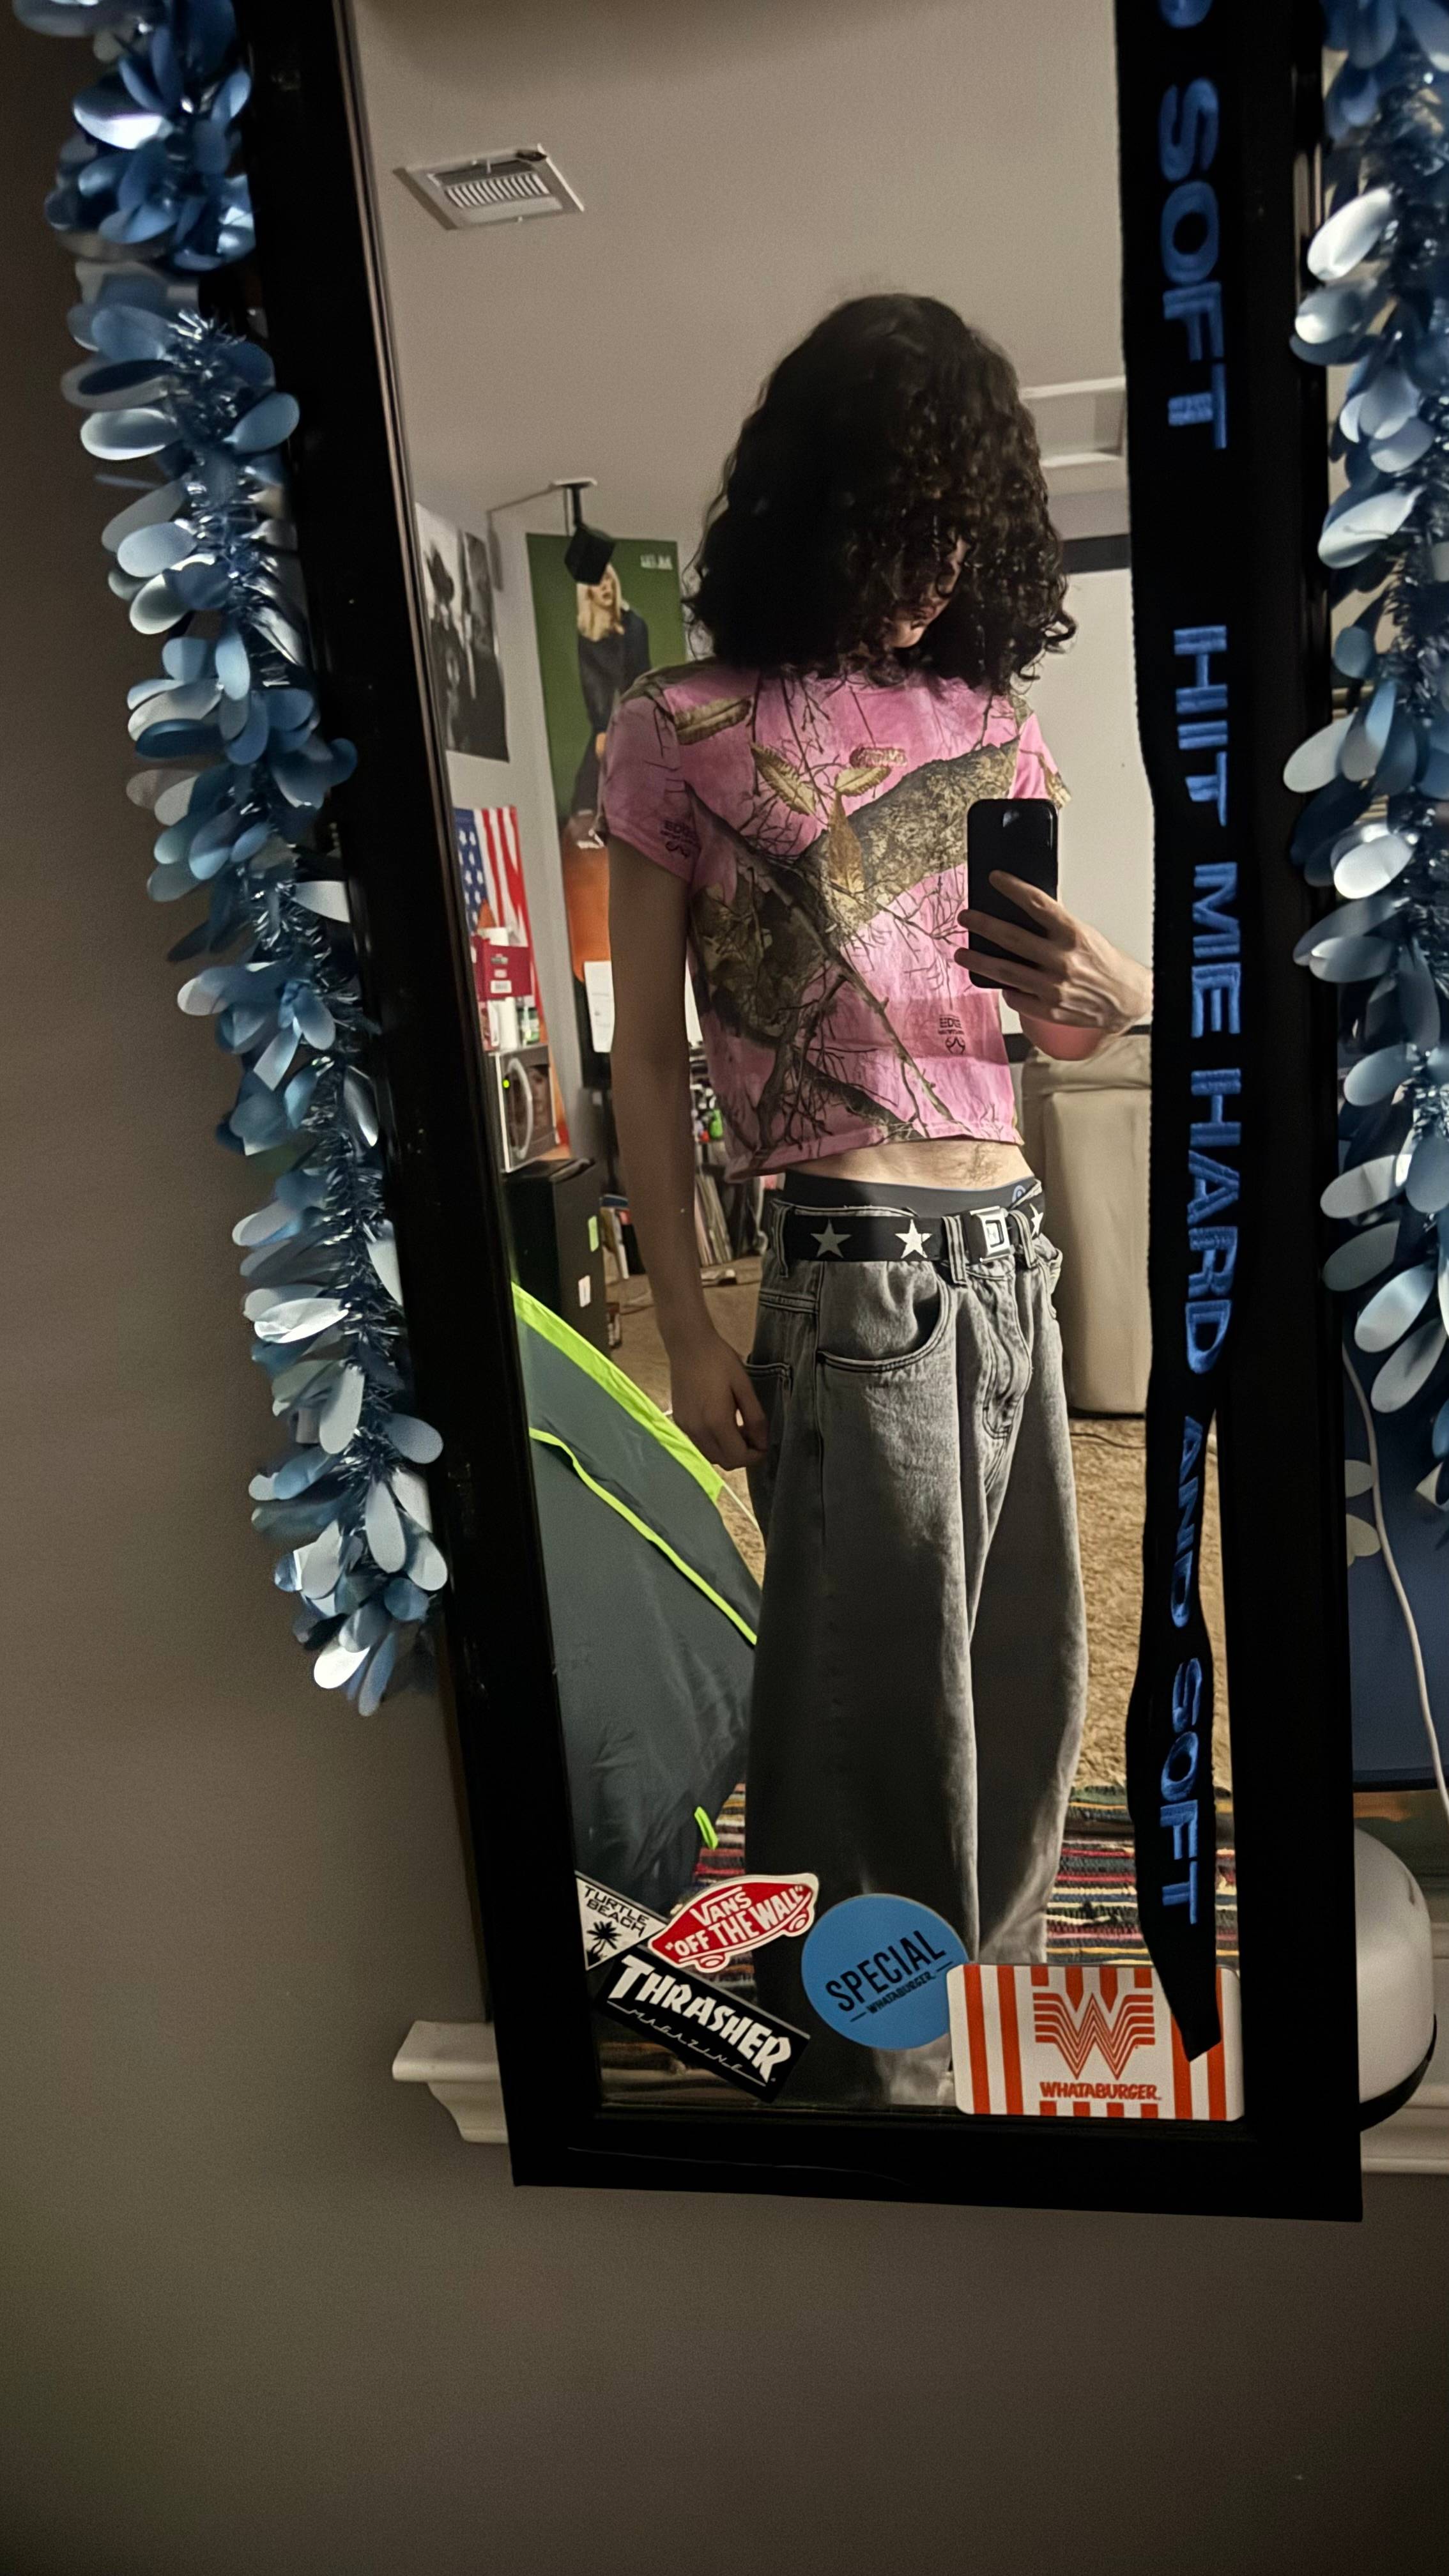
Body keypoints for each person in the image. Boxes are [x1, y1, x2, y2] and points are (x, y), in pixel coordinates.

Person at [601, 295, 1152, 2106]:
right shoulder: (679, 724)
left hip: (1010, 1248)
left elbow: (1037, 1031)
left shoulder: (1000, 732)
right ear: (821, 507)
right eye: (904, 525)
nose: (934, 573)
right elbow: (645, 1059)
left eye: (963, 534)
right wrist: (691, 1326)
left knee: (1024, 1679)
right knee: (868, 1710)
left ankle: (973, 2031)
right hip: (850, 1264)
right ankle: (869, 2086)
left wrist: (1110, 991)